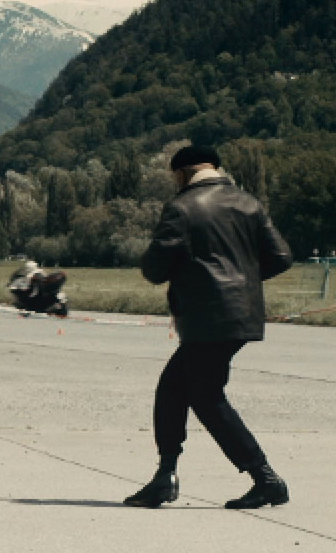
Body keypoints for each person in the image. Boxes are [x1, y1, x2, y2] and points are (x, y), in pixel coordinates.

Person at [126, 144, 294, 510]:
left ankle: (265, 478)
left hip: (207, 318)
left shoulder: (183, 207)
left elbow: (155, 268)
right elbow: (281, 257)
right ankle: (165, 475)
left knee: (205, 396)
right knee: (175, 389)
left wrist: (194, 279)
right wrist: (244, 283)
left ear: (182, 173)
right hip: (242, 314)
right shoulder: (248, 203)